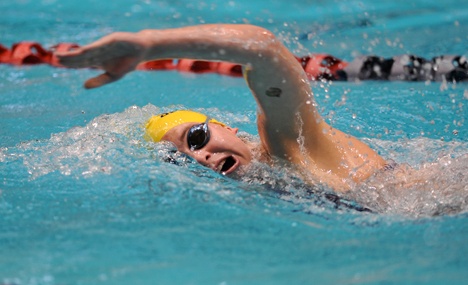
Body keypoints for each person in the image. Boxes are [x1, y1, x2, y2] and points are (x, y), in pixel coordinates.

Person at [57, 24, 389, 192]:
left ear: (227, 127)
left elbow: (263, 50)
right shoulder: (264, 181)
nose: (198, 157)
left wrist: (151, 44)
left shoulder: (287, 143)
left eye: (197, 137)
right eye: (180, 158)